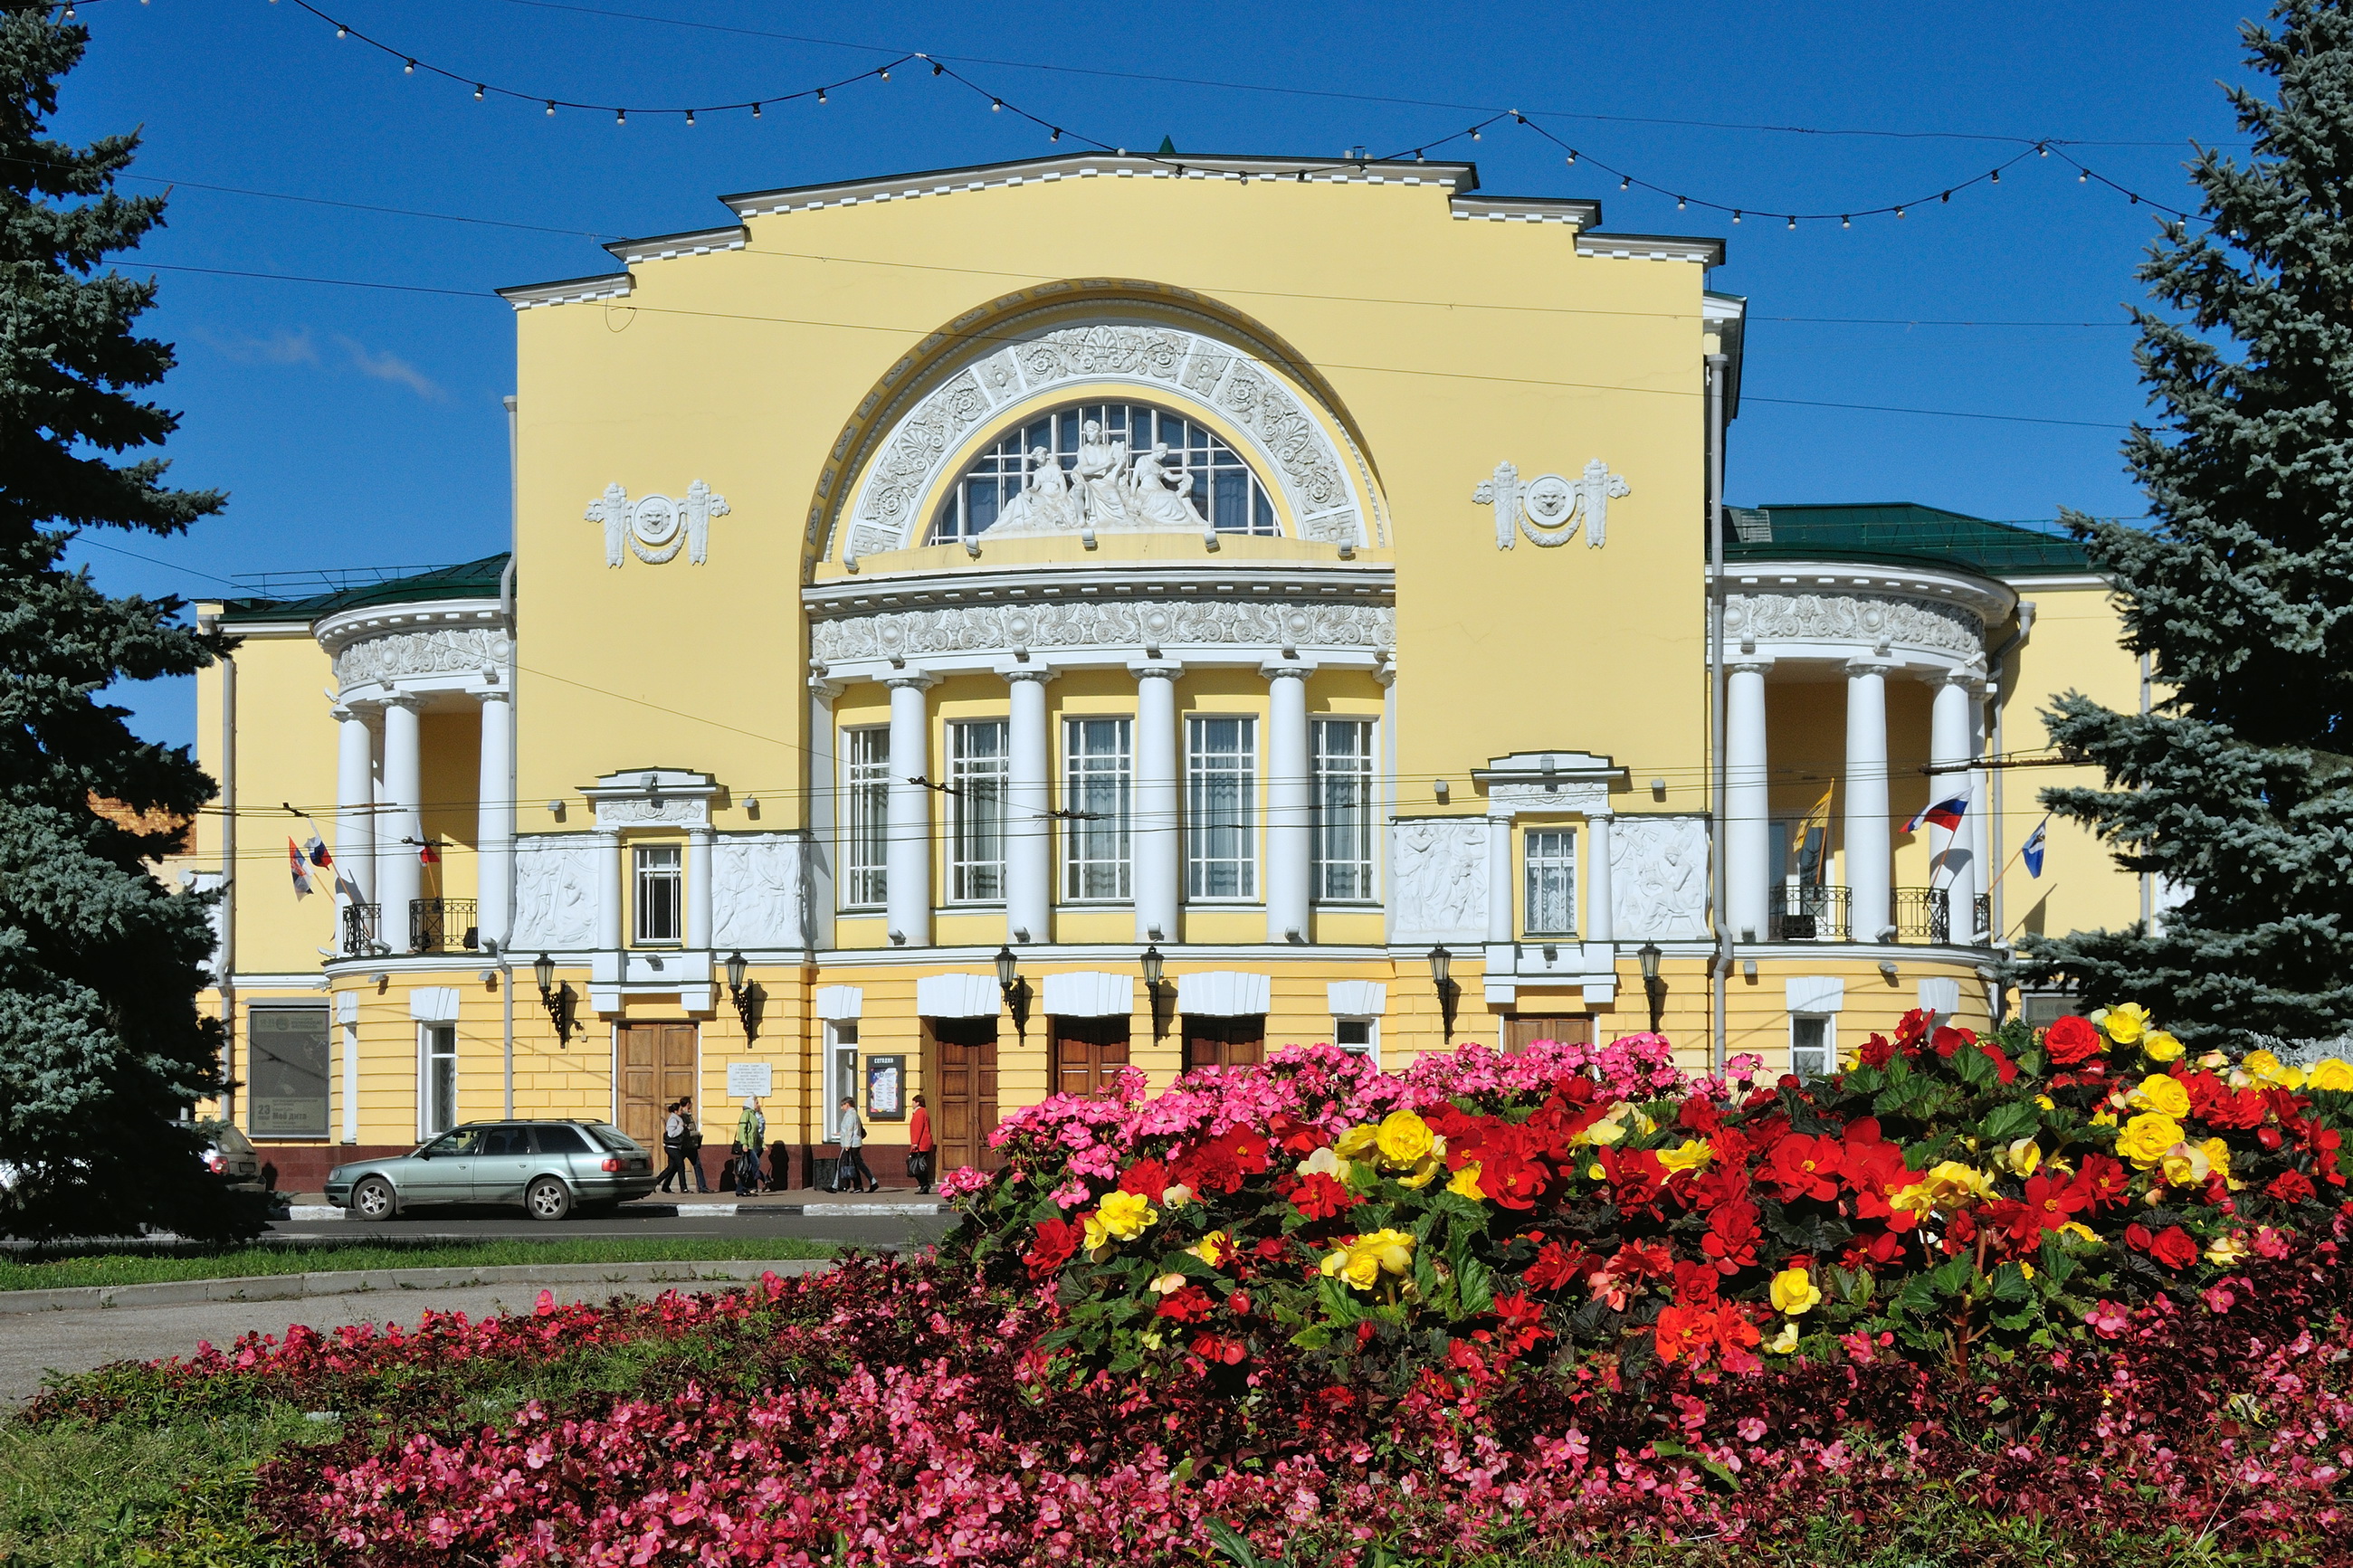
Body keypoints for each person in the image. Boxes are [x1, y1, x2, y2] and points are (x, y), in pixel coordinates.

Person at [834, 1096, 879, 1193]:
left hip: (851, 1144)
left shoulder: (850, 1115)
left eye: (842, 1105)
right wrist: (841, 1133)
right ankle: (870, 1183)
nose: (841, 1108)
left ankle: (839, 1186)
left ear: (847, 1104)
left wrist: (847, 1145)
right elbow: (852, 1130)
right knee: (858, 1165)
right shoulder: (853, 1114)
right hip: (854, 1143)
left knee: (843, 1163)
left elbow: (850, 1131)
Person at [657, 1099, 691, 1193]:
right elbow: (671, 1134)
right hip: (672, 1147)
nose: (682, 1111)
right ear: (675, 1111)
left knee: (671, 1167)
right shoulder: (673, 1119)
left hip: (674, 1147)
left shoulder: (678, 1118)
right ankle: (683, 1188)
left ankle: (656, 1183)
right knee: (681, 1167)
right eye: (680, 1110)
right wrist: (680, 1127)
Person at [734, 1097, 766, 1197]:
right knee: (755, 1164)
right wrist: (744, 1144)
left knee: (747, 1168)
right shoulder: (746, 1114)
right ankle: (745, 1186)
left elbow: (755, 1133)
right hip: (747, 1146)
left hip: (752, 1145)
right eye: (756, 1102)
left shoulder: (753, 1115)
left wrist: (762, 1144)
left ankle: (741, 1189)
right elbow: (742, 1130)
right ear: (751, 1103)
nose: (758, 1105)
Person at [907, 1092, 936, 1195]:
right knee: (920, 1165)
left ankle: (924, 1184)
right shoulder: (923, 1112)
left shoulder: (919, 1113)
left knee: (918, 1166)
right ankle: (924, 1185)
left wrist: (915, 1143)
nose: (912, 1104)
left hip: (921, 1144)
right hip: (923, 1143)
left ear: (917, 1102)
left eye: (913, 1102)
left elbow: (917, 1129)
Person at [681, 1102, 711, 1193]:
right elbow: (686, 1132)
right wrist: (697, 1134)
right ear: (688, 1104)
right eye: (690, 1103)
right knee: (675, 1167)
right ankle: (702, 1187)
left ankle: (702, 1187)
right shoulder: (683, 1116)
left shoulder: (688, 1115)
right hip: (687, 1145)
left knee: (697, 1165)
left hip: (691, 1145)